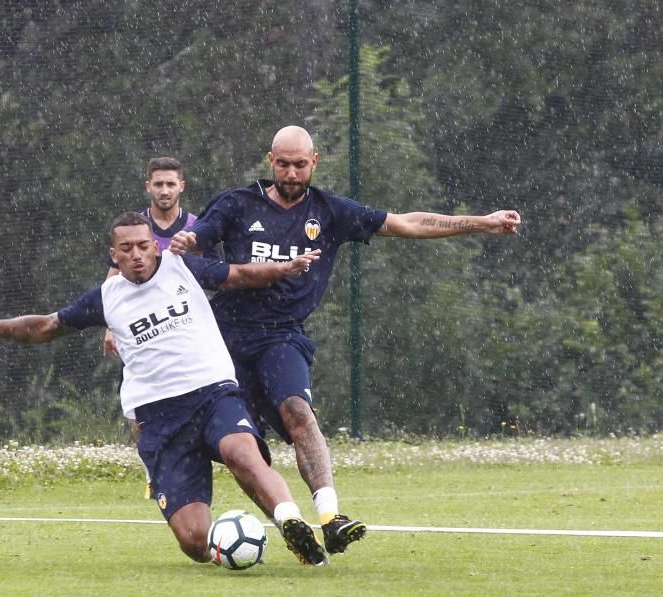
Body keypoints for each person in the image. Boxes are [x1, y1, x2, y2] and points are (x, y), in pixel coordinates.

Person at [170, 125, 523, 556]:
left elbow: (407, 223)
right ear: (270, 160)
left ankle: (330, 517)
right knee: (244, 451)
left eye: (300, 164)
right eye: (283, 163)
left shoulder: (330, 211)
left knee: (299, 412)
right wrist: (188, 239)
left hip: (282, 337)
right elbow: (196, 243)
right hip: (224, 340)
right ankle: (288, 521)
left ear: (314, 162)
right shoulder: (237, 204)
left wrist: (481, 223)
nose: (292, 172)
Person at [0, 212, 330, 566]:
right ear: (114, 254)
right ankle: (224, 546)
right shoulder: (106, 298)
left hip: (212, 392)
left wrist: (283, 269)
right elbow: (45, 326)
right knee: (194, 542)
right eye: (126, 249)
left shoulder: (183, 268)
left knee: (240, 452)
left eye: (144, 246)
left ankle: (290, 521)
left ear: (155, 246)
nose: (137, 255)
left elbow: (241, 275)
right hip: (158, 417)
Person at [100, 157, 216, 499]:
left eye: (170, 184)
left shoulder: (196, 227)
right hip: (142, 330)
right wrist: (110, 327)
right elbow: (112, 279)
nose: (164, 190)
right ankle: (153, 467)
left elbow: (211, 276)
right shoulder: (136, 231)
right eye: (158, 184)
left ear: (182, 186)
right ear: (147, 187)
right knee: (137, 403)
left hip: (183, 327)